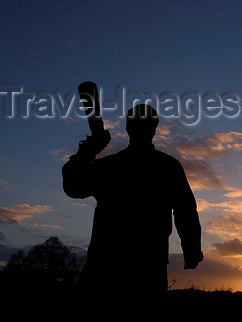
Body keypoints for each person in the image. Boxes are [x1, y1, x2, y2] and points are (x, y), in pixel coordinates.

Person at [62, 104, 203, 298]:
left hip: (110, 263)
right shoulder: (167, 167)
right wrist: (192, 249)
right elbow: (185, 210)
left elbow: (73, 186)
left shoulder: (108, 166)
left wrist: (89, 150)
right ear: (155, 128)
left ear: (128, 127)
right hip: (140, 265)